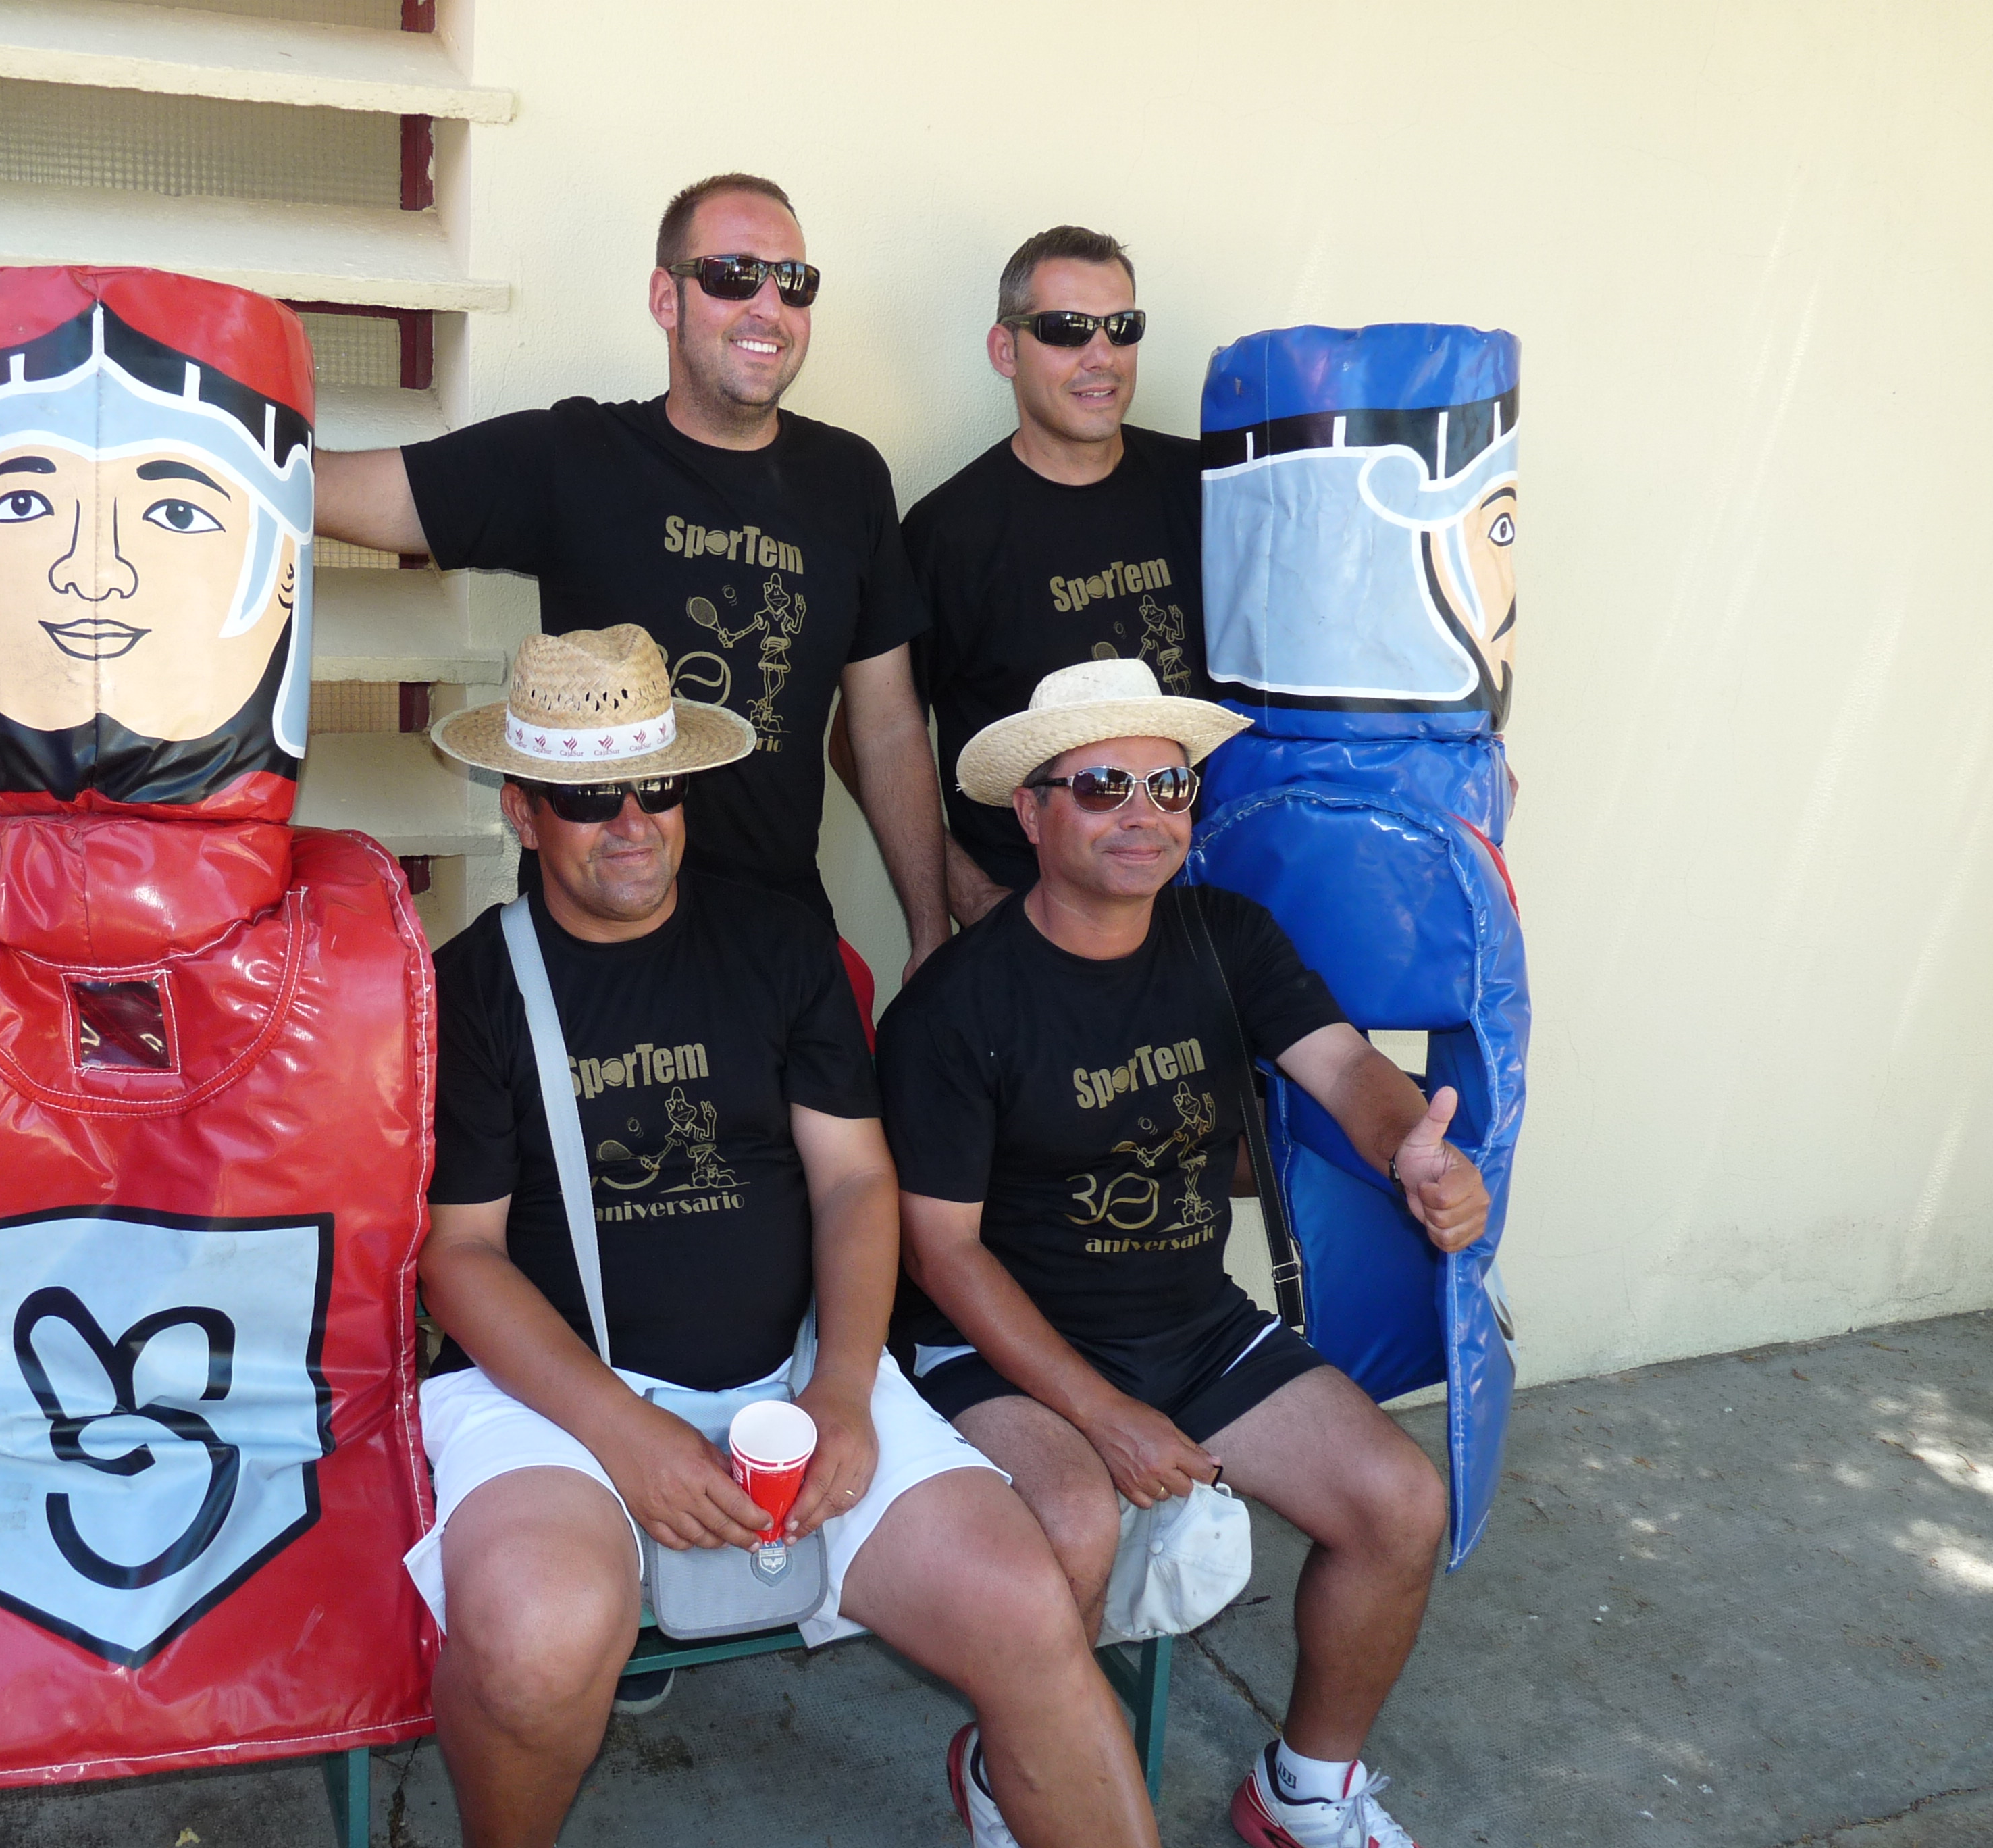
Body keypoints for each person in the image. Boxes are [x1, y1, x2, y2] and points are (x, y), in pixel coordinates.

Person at [410, 625, 1161, 1848]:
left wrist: (846, 1391)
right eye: (588, 795)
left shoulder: (777, 943)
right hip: (554, 1401)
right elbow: (462, 1255)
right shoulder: (474, 986)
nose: (632, 822)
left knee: (1026, 1609)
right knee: (538, 1644)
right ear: (522, 811)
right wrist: (625, 1432)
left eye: (658, 785)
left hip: (794, 1373)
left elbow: (856, 1183)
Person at [877, 659, 1493, 1848]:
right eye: (1102, 786)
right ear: (1031, 812)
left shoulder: (1224, 937)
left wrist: (1409, 1150)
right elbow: (942, 1253)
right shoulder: (955, 1007)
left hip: (1187, 1321)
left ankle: (1304, 1790)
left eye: (1168, 787)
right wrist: (1102, 1415)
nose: (1142, 814)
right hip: (999, 1347)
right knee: (1069, 1523)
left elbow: (1342, 1067)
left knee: (1398, 1502)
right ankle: (1014, 1773)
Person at [313, 172, 950, 990]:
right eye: (732, 275)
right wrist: (193, 447)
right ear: (665, 297)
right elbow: (356, 493)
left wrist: (931, 931)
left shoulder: (849, 478)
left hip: (778, 951)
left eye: (794, 281)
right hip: (594, 950)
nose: (769, 306)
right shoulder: (578, 456)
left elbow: (888, 726)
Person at [901, 225, 1206, 927]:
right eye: (1067, 330)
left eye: (1122, 328)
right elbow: (874, 743)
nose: (1102, 356)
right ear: (1005, 350)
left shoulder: (1203, 486)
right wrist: (971, 900)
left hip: (1200, 915)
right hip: (1036, 926)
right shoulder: (950, 533)